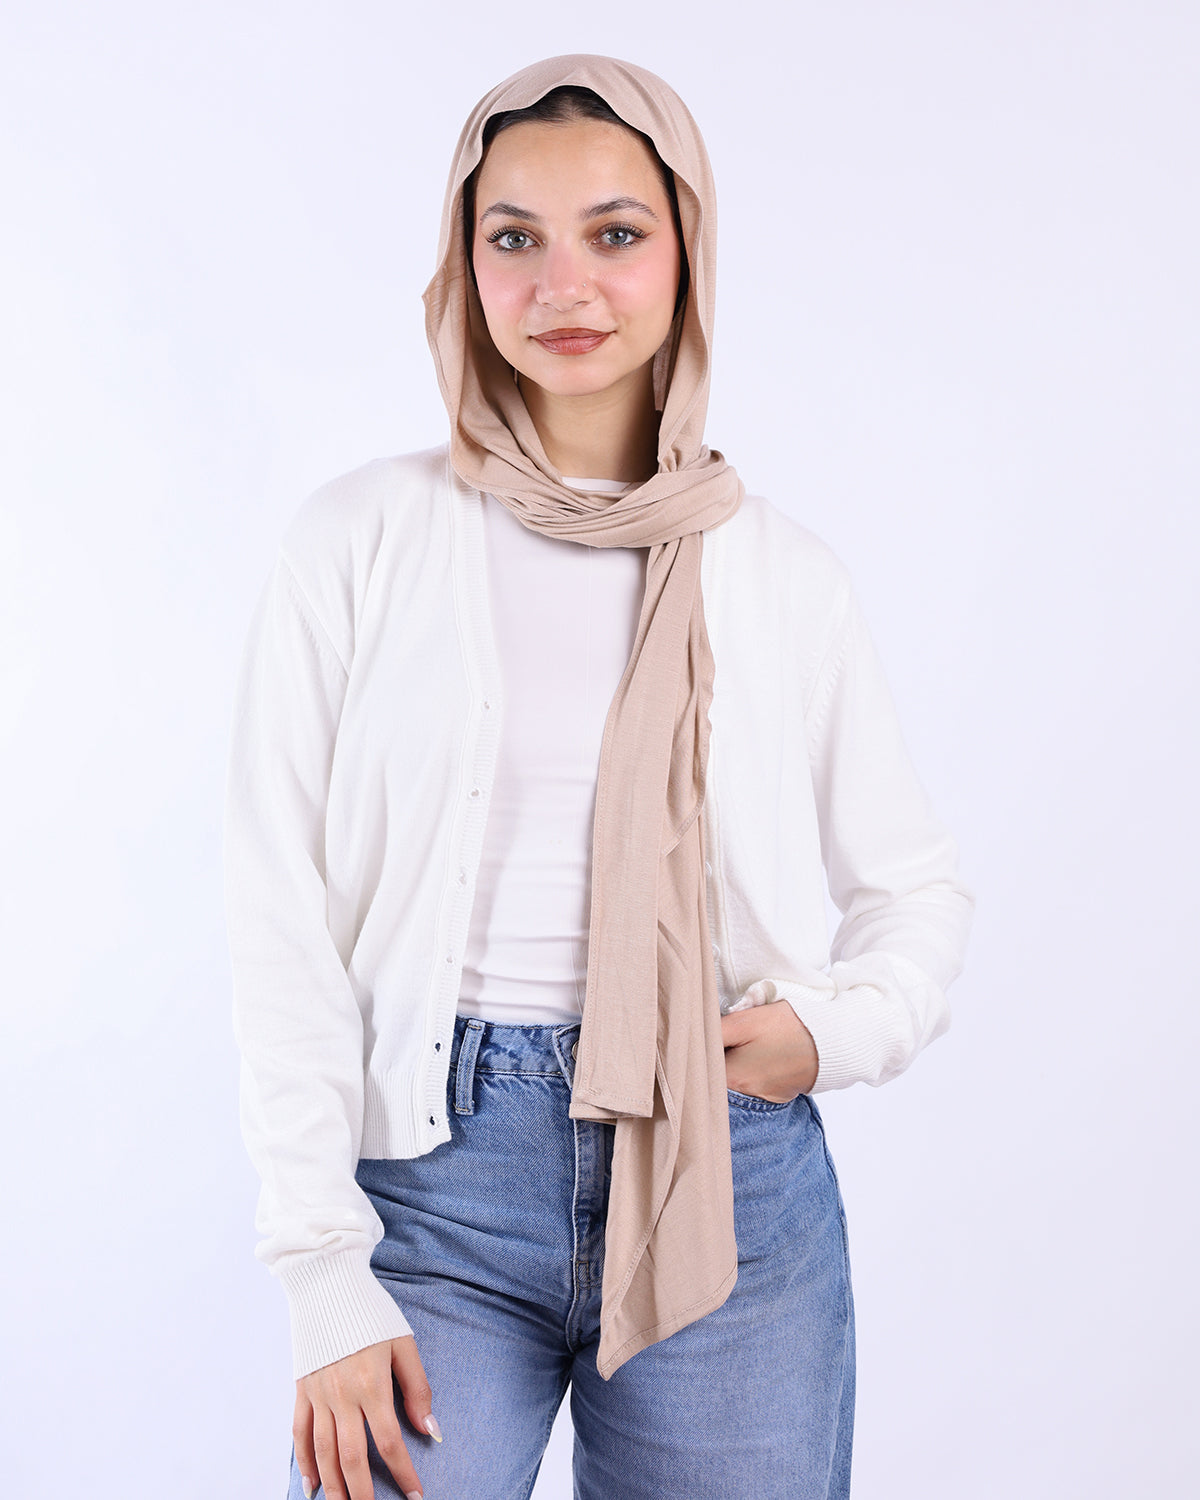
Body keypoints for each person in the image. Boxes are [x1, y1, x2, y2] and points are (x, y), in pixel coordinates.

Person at [225, 53, 973, 1500]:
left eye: (615, 234)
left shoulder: (782, 576)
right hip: (434, 1187)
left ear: (685, 252)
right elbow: (280, 912)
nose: (565, 282)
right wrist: (322, 1274)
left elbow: (913, 887)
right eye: (515, 237)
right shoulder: (359, 542)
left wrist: (841, 1031)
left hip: (727, 1176)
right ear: (465, 260)